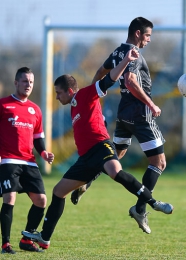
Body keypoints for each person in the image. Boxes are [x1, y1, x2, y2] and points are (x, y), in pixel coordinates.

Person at [21, 48, 173, 250]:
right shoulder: (74, 106)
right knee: (58, 191)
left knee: (115, 172)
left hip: (101, 147)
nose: (57, 97)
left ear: (69, 90)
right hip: (85, 159)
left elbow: (109, 79)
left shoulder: (85, 94)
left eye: (58, 93)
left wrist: (126, 59)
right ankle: (45, 238)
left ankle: (153, 203)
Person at [71, 17, 166, 234]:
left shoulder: (116, 52)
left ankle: (87, 180)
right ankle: (140, 209)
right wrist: (151, 104)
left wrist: (94, 97)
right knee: (159, 163)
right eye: (148, 35)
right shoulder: (134, 54)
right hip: (140, 114)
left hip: (124, 113)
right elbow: (131, 81)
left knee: (115, 156)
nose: (149, 40)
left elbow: (100, 74)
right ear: (137, 34)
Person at [0, 67, 54, 254]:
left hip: (29, 161)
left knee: (41, 200)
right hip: (8, 160)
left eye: (31, 82)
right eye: (24, 81)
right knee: (10, 197)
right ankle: (5, 244)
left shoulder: (35, 110)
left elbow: (38, 137)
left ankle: (27, 239)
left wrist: (44, 152)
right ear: (16, 83)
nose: (28, 85)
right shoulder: (4, 105)